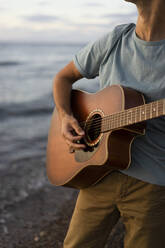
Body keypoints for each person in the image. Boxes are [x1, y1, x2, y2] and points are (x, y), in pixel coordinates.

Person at [53, 0, 165, 247]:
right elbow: (63, 77)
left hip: (153, 184)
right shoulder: (116, 39)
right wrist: (65, 116)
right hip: (99, 173)